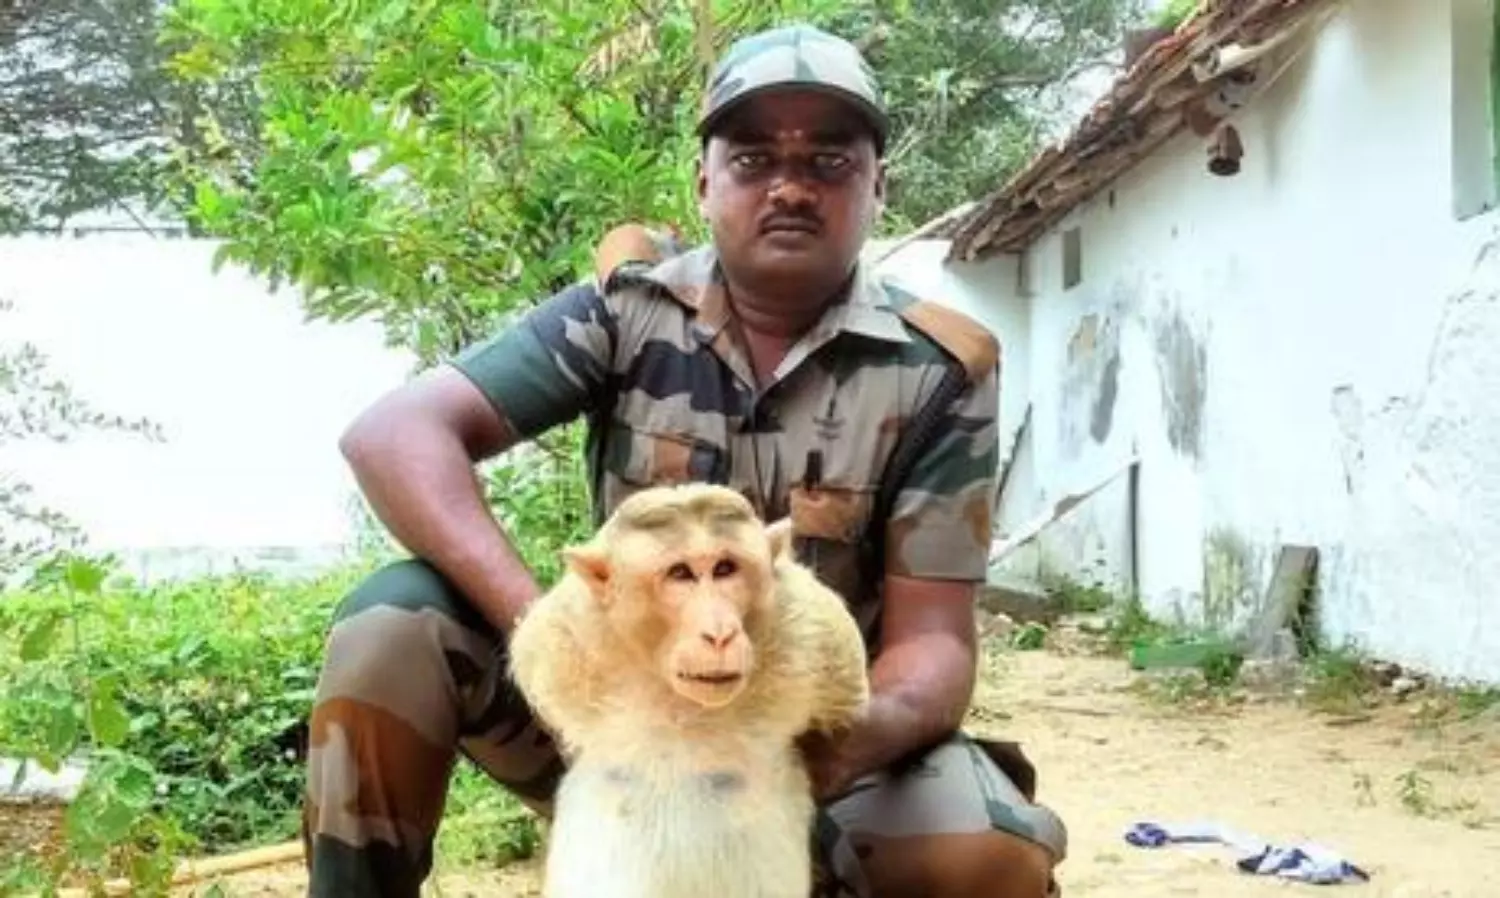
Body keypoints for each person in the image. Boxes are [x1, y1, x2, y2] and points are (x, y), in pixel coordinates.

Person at [301, 22, 1068, 898]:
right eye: (752, 159)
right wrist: (560, 643)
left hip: (804, 740)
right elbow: (396, 435)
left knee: (988, 856)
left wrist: (798, 749)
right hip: (612, 729)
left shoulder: (934, 371)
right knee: (393, 624)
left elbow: (933, 646)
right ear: (705, 182)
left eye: (828, 160)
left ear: (878, 185)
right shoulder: (624, 315)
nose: (790, 186)